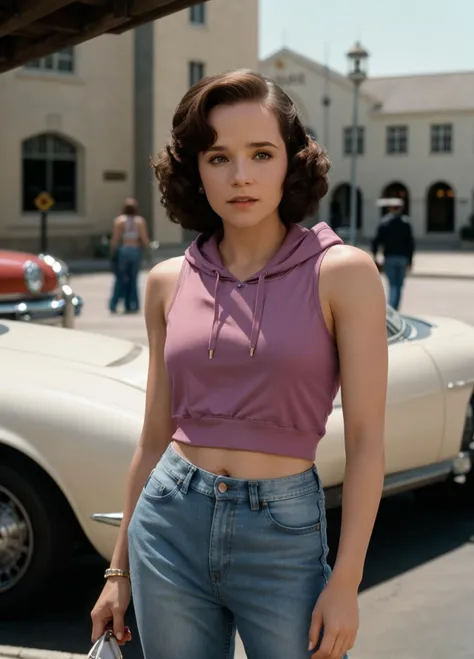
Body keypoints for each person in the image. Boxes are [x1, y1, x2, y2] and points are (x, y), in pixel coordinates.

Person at [91, 70, 387, 659]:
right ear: (195, 171)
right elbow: (153, 436)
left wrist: (347, 582)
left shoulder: (342, 273)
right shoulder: (167, 282)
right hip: (168, 524)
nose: (241, 176)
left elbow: (367, 441)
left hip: (282, 532)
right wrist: (116, 569)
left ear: (291, 162)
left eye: (261, 154)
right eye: (218, 157)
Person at [371, 200, 415, 310]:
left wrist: (375, 256)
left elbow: (376, 241)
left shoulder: (385, 222)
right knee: (399, 285)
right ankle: (395, 308)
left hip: (389, 257)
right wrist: (410, 260)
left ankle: (392, 308)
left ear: (390, 209)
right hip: (402, 257)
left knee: (392, 285)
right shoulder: (406, 223)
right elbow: (410, 243)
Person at [109, 198, 150, 313]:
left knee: (120, 278)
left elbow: (115, 239)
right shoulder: (140, 221)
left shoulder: (119, 221)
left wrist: (113, 253)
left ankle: (114, 303)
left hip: (124, 250)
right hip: (135, 250)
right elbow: (144, 239)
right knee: (133, 279)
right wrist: (147, 250)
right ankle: (132, 304)